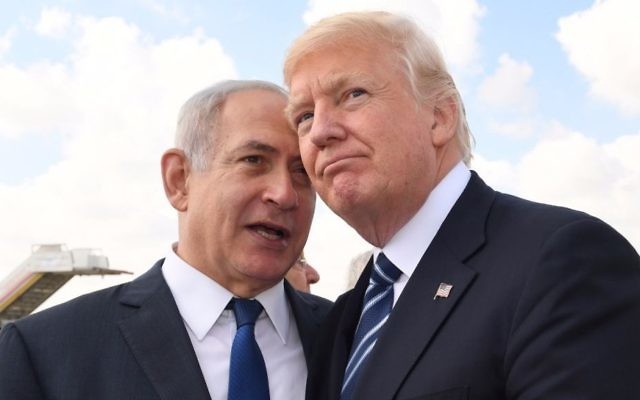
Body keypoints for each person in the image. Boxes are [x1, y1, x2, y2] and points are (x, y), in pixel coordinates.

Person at [283, 11, 640, 400]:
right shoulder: (345, 317)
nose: (320, 131)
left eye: (353, 95)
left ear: (440, 116)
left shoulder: (564, 260)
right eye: (304, 116)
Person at [0, 80, 332, 400]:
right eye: (254, 161)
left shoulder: (349, 338)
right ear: (179, 180)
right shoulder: (43, 351)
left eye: (302, 171)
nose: (284, 194)